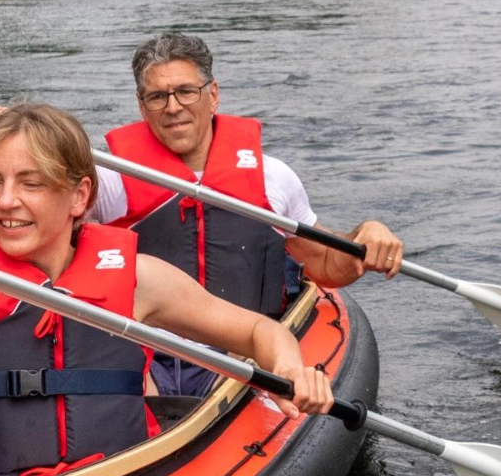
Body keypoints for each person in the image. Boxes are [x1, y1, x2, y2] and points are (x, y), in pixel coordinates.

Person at [0, 104, 335, 476]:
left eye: (30, 184)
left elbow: (259, 330)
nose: (5, 201)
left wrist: (291, 370)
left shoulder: (135, 277)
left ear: (79, 195)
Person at [92, 32, 402, 393]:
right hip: (144, 356)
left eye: (186, 91)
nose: (173, 106)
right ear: (142, 107)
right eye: (158, 96)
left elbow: (326, 266)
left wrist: (367, 235)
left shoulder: (273, 178)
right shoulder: (108, 180)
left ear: (213, 95)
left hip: (243, 353)